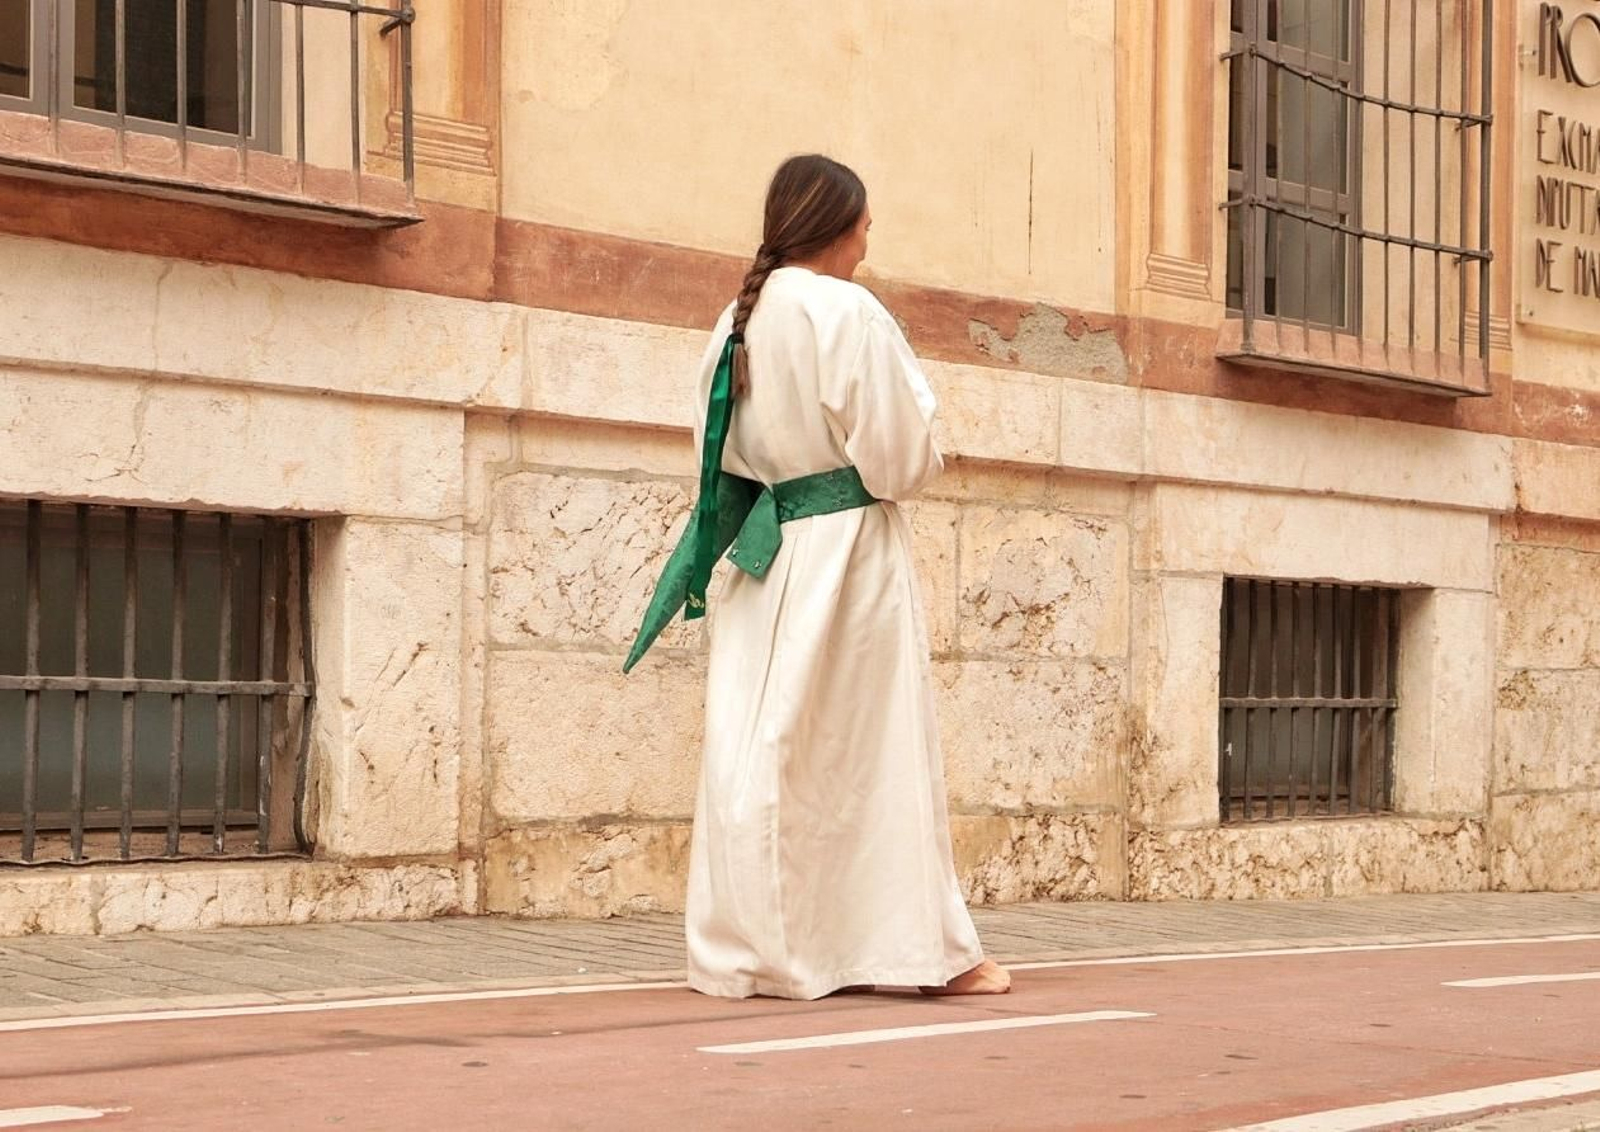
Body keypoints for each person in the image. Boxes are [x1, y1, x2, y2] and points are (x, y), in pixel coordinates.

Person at [625, 154, 1009, 1000]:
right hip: (849, 555)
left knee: (764, 749)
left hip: (768, 555)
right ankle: (914, 954)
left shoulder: (735, 321)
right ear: (838, 225)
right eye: (867, 224)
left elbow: (714, 454)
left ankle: (759, 949)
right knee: (869, 751)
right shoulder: (846, 310)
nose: (870, 243)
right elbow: (900, 457)